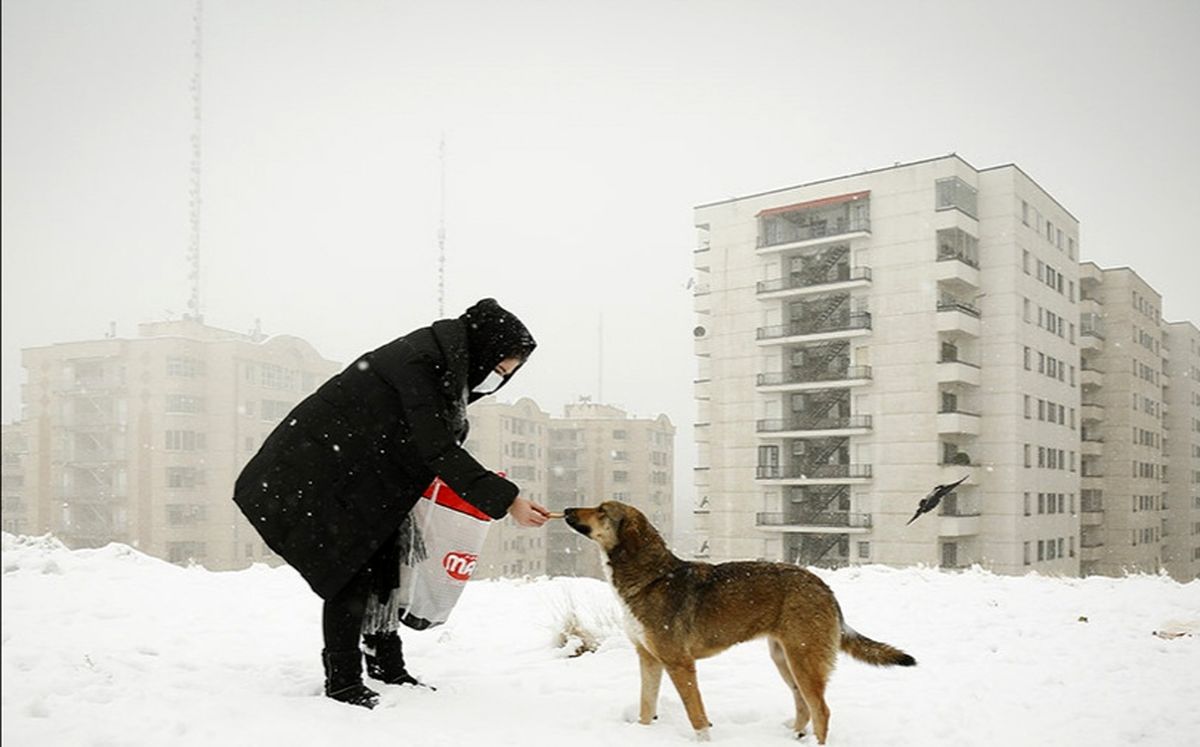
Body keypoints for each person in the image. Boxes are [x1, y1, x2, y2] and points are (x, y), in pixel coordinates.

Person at [233, 298, 549, 708]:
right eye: (499, 368)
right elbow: (436, 447)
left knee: (384, 563)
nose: (496, 380)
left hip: (357, 470)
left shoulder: (440, 363)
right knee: (352, 570)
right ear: (482, 351)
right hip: (317, 470)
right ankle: (343, 681)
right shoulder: (420, 363)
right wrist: (508, 501)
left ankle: (385, 664)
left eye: (506, 375)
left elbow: (427, 443)